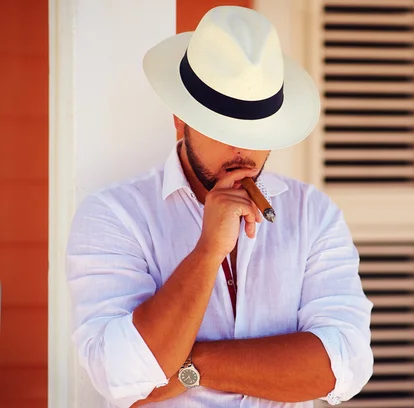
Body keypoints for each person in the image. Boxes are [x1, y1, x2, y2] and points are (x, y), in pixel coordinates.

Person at [65, 5, 373, 408]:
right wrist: (208, 252)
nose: (242, 150)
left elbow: (341, 366)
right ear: (181, 120)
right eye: (222, 128)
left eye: (257, 131)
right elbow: (121, 375)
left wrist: (197, 364)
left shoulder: (312, 214)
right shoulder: (114, 216)